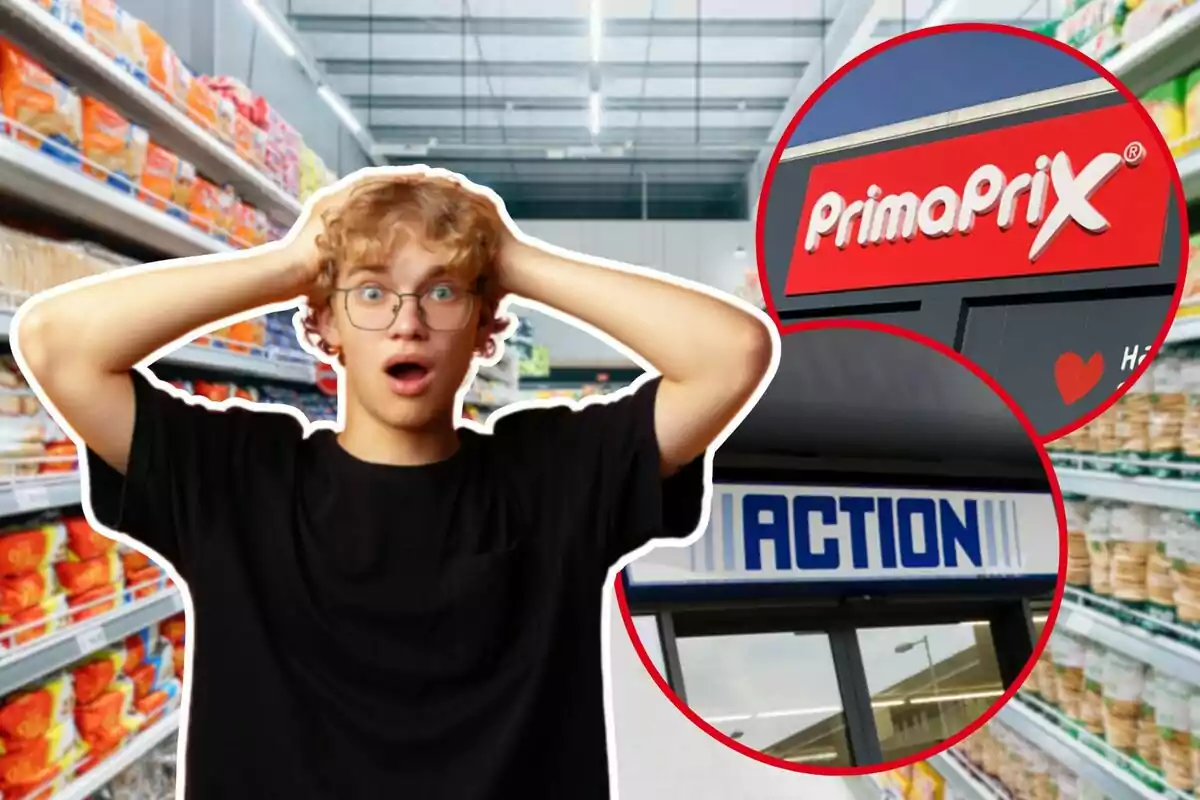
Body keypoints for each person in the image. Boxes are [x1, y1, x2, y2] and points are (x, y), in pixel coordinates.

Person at [14, 167, 774, 799]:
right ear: (325, 325)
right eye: (372, 294)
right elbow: (55, 344)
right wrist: (289, 262)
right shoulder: (238, 477)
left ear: (484, 329)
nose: (407, 322)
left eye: (442, 293)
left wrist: (508, 257)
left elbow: (732, 353)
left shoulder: (554, 477)